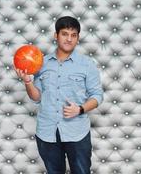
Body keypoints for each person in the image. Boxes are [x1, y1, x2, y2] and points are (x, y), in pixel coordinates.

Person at [15, 16, 103, 174]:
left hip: (76, 132)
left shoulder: (87, 64)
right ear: (56, 35)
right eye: (64, 34)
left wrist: (80, 109)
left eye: (73, 35)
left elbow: (97, 96)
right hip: (47, 132)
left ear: (77, 38)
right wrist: (28, 82)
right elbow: (37, 97)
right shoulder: (41, 63)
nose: (69, 39)